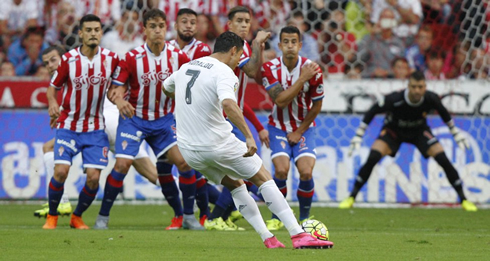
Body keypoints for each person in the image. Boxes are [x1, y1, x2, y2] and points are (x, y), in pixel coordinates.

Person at [163, 31, 333, 249]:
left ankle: (268, 237)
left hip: (189, 151)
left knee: (236, 185)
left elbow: (167, 88)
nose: (238, 61)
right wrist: (249, 136)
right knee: (264, 179)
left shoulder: (188, 66)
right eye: (240, 54)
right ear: (234, 50)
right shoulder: (224, 72)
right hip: (217, 144)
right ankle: (298, 234)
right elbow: (229, 104)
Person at [95, 8, 203, 230]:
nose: (157, 31)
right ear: (144, 30)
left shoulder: (178, 57)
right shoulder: (132, 58)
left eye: (161, 26)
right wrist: (120, 101)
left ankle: (189, 217)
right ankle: (102, 217)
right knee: (123, 164)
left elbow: (191, 88)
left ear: (167, 28)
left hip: (164, 121)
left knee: (184, 162)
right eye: (152, 26)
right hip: (135, 119)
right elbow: (114, 90)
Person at [340, 71, 478, 212]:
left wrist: (456, 134)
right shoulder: (395, 99)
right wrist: (358, 135)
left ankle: (464, 200)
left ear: (425, 87)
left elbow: (444, 114)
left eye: (420, 87)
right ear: (408, 86)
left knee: (442, 158)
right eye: (414, 87)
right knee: (373, 156)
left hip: (419, 131)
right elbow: (372, 111)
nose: (417, 90)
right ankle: (351, 198)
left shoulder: (431, 98)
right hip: (394, 131)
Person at [42, 14, 120, 229]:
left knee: (94, 179)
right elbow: (52, 88)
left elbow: (120, 84)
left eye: (97, 30)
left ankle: (77, 216)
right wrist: (52, 103)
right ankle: (52, 216)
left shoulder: (111, 59)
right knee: (61, 171)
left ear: (101, 33)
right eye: (89, 30)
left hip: (96, 129)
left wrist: (117, 95)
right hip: (68, 126)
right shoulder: (68, 60)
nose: (93, 33)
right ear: (81, 34)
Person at [203, 6, 271, 231]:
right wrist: (258, 45)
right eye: (239, 21)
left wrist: (259, 127)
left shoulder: (238, 49)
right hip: (218, 119)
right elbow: (252, 71)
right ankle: (214, 217)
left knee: (241, 171)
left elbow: (239, 102)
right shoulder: (229, 49)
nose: (244, 25)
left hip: (229, 117)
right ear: (229, 25)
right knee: (245, 169)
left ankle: (222, 215)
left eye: (247, 21)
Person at [261, 26, 324, 230]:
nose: (289, 46)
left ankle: (304, 218)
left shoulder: (313, 69)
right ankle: (277, 218)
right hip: (278, 126)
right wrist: (302, 79)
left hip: (304, 128)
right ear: (279, 46)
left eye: (293, 42)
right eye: (285, 42)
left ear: (300, 45)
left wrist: (299, 131)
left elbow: (317, 105)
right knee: (281, 170)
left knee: (305, 172)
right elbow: (280, 101)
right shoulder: (270, 68)